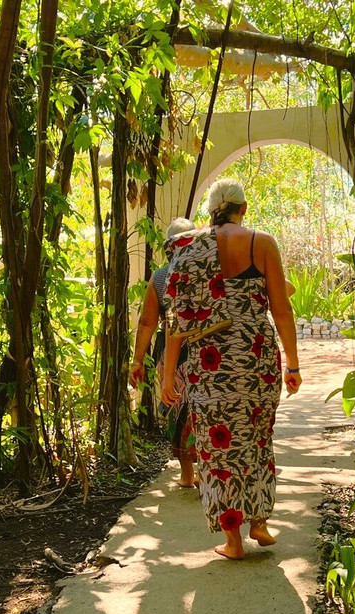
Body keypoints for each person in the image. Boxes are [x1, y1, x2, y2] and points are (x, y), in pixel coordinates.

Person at [161, 178, 301, 560]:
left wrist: (167, 372)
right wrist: (293, 363)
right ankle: (259, 521)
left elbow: (179, 316)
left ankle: (233, 541)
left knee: (217, 448)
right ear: (244, 207)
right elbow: (281, 309)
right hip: (257, 360)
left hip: (210, 363)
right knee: (256, 440)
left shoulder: (189, 246)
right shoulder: (262, 242)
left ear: (210, 211)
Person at [130, 217, 197, 487]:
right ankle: (206, 471)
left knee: (177, 408)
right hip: (206, 351)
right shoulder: (207, 273)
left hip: (171, 354)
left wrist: (137, 361)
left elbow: (147, 323)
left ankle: (186, 474)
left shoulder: (160, 277)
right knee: (204, 409)